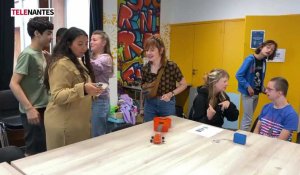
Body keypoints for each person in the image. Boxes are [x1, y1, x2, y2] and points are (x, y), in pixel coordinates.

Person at [44, 27, 101, 150]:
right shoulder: (60, 64)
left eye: (86, 44)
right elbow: (57, 96)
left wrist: (93, 91)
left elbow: (83, 87)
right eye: (80, 44)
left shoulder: (76, 61)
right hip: (64, 124)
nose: (84, 48)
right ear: (68, 44)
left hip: (78, 122)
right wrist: (84, 89)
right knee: (64, 163)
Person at [9, 17, 53, 155]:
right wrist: (29, 109)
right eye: (48, 33)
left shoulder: (41, 53)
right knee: (35, 150)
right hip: (34, 109)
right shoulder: (27, 55)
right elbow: (13, 83)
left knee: (45, 147)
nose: (51, 37)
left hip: (44, 106)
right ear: (37, 34)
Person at [141, 34, 187, 122]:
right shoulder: (145, 68)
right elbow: (144, 88)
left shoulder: (171, 66)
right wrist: (142, 107)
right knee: (147, 130)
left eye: (152, 50)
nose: (148, 53)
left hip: (166, 103)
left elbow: (184, 84)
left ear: (161, 50)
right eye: (147, 50)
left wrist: (171, 94)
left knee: (167, 130)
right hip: (149, 104)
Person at [236, 40, 278, 131]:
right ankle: (241, 138)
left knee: (248, 118)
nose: (269, 50)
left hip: (256, 93)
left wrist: (262, 87)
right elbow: (239, 75)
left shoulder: (263, 61)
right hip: (248, 93)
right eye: (268, 47)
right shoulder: (250, 59)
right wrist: (248, 86)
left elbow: (259, 78)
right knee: (248, 119)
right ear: (261, 47)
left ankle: (242, 136)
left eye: (272, 50)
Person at [254, 77, 298, 141]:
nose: (266, 91)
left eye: (269, 89)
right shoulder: (266, 107)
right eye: (266, 88)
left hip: (276, 149)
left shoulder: (291, 115)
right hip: (260, 145)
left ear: (280, 93)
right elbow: (256, 130)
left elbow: (280, 141)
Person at [90, 30, 113, 137]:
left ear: (103, 42)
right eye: (91, 40)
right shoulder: (92, 57)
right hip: (91, 99)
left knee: (98, 134)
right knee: (92, 132)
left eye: (94, 40)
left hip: (100, 101)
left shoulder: (105, 58)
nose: (91, 42)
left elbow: (93, 65)